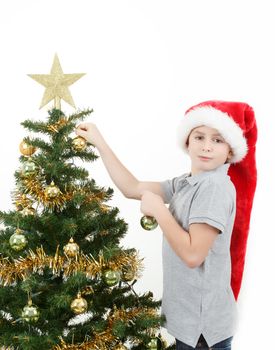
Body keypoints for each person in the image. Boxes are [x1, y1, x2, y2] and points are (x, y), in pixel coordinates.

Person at [75, 100, 257, 350]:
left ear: (230, 150)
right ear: (187, 142)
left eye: (217, 140)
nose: (206, 146)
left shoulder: (213, 188)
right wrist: (100, 143)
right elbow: (133, 188)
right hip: (190, 323)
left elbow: (193, 255)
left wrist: (160, 210)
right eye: (199, 137)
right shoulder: (187, 183)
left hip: (203, 332)